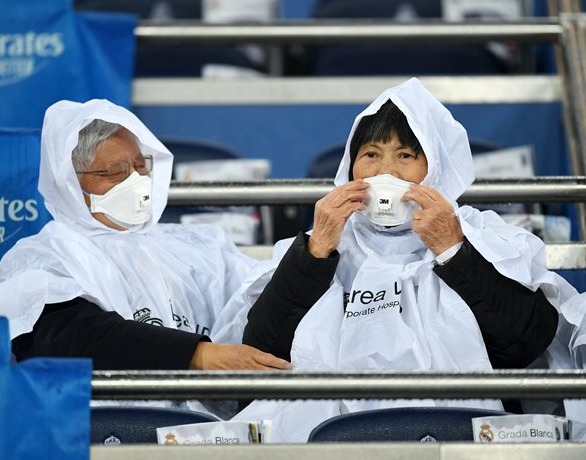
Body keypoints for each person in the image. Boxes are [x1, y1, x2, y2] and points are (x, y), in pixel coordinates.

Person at [211, 78, 585, 441]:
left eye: (405, 155)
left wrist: (453, 250)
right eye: (370, 154)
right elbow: (262, 355)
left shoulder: (482, 236)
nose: (385, 171)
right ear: (349, 168)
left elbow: (524, 344)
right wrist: (316, 252)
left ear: (435, 168)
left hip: (461, 437)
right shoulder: (319, 244)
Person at [0, 99, 289, 372]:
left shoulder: (191, 247)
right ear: (70, 183)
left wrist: (311, 253)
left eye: (141, 167)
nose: (136, 181)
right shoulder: (45, 256)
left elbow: (257, 296)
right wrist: (201, 355)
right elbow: (71, 336)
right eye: (115, 173)